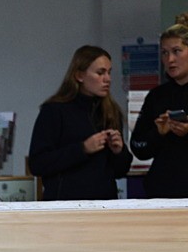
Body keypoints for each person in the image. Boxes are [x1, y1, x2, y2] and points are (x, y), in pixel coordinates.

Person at [28, 45, 132, 200]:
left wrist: (119, 151)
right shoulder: (55, 110)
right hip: (65, 205)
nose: (107, 79)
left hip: (104, 204)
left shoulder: (111, 111)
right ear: (79, 75)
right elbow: (38, 164)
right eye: (100, 73)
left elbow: (119, 171)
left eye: (109, 72)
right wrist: (82, 149)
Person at [131, 19, 188, 198]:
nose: (170, 59)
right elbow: (138, 147)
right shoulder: (157, 96)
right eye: (164, 53)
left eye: (177, 51)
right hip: (164, 191)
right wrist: (158, 133)